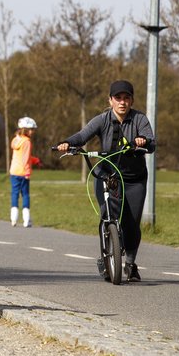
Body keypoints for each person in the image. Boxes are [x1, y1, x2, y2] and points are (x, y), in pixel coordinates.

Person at [56, 80, 156, 283]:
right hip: (107, 176)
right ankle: (105, 256)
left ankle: (130, 263)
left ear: (131, 100)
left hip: (134, 179)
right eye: (117, 98)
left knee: (131, 223)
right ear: (110, 100)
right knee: (107, 214)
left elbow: (151, 141)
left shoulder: (140, 119)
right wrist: (67, 143)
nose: (122, 102)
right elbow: (82, 135)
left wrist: (142, 141)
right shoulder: (102, 120)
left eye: (126, 98)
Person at [9, 116, 41, 227]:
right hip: (23, 173)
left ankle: (13, 219)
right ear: (25, 129)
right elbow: (25, 158)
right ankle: (26, 220)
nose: (33, 132)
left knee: (14, 194)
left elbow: (22, 156)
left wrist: (35, 160)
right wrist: (28, 172)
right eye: (31, 129)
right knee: (25, 195)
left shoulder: (16, 140)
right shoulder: (27, 142)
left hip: (14, 171)